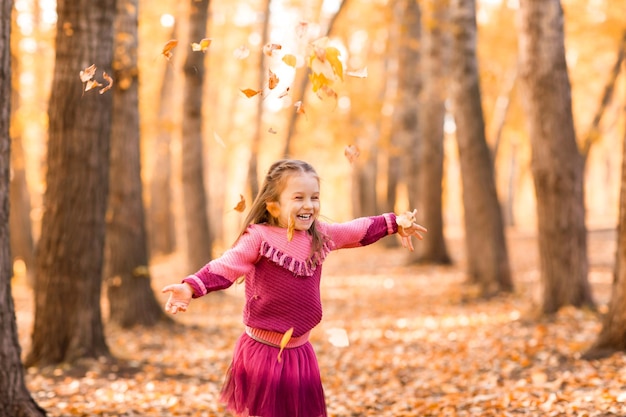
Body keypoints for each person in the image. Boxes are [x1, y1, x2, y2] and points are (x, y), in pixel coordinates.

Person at [162, 159, 427, 417]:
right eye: (298, 198)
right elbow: (227, 265)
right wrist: (190, 287)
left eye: (314, 197)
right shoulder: (259, 237)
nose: (309, 205)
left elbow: (355, 230)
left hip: (301, 353)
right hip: (264, 353)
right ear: (274, 207)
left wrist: (395, 223)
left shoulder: (319, 235)